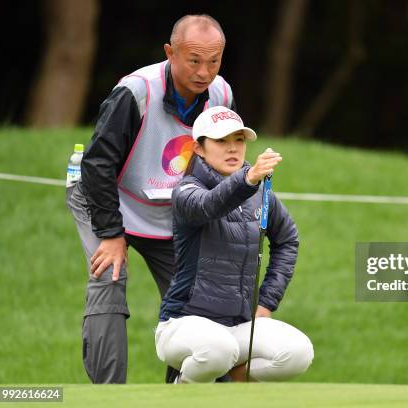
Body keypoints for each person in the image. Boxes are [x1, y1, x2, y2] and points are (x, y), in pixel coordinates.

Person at [66, 14, 235, 383]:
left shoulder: (222, 95)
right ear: (170, 53)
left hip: (167, 207)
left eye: (214, 61)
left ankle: (183, 389)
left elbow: (217, 164)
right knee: (109, 278)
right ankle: (109, 398)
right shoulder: (136, 91)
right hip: (105, 194)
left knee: (195, 296)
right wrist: (111, 234)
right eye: (194, 60)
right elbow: (98, 164)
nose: (204, 72)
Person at [155, 106, 314, 383]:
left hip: (239, 327)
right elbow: (209, 206)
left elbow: (287, 239)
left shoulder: (258, 192)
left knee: (297, 352)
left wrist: (266, 302)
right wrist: (249, 179)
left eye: (238, 140)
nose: (233, 148)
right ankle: (181, 393)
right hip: (182, 324)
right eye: (221, 141)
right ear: (199, 148)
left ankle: (230, 384)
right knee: (218, 349)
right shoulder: (186, 191)